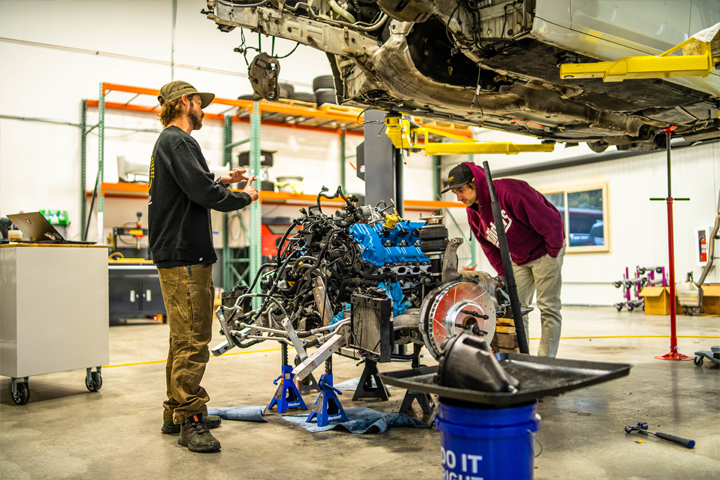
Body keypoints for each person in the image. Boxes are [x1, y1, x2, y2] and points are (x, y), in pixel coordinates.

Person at [148, 81, 259, 453]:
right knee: (195, 341)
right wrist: (244, 196)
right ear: (185, 102)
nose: (202, 108)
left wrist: (221, 179)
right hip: (186, 256)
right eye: (199, 101)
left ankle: (175, 412)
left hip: (178, 253)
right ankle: (191, 420)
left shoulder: (170, 143)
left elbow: (193, 185)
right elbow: (203, 194)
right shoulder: (179, 140)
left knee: (181, 339)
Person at [443, 162, 565, 357]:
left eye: (461, 191)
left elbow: (551, 221)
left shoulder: (510, 192)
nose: (459, 198)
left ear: (474, 182)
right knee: (515, 309)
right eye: (455, 193)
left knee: (548, 307)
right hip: (518, 258)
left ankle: (545, 361)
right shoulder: (473, 213)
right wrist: (504, 273)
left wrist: (553, 251)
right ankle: (521, 359)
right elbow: (489, 247)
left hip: (544, 251)